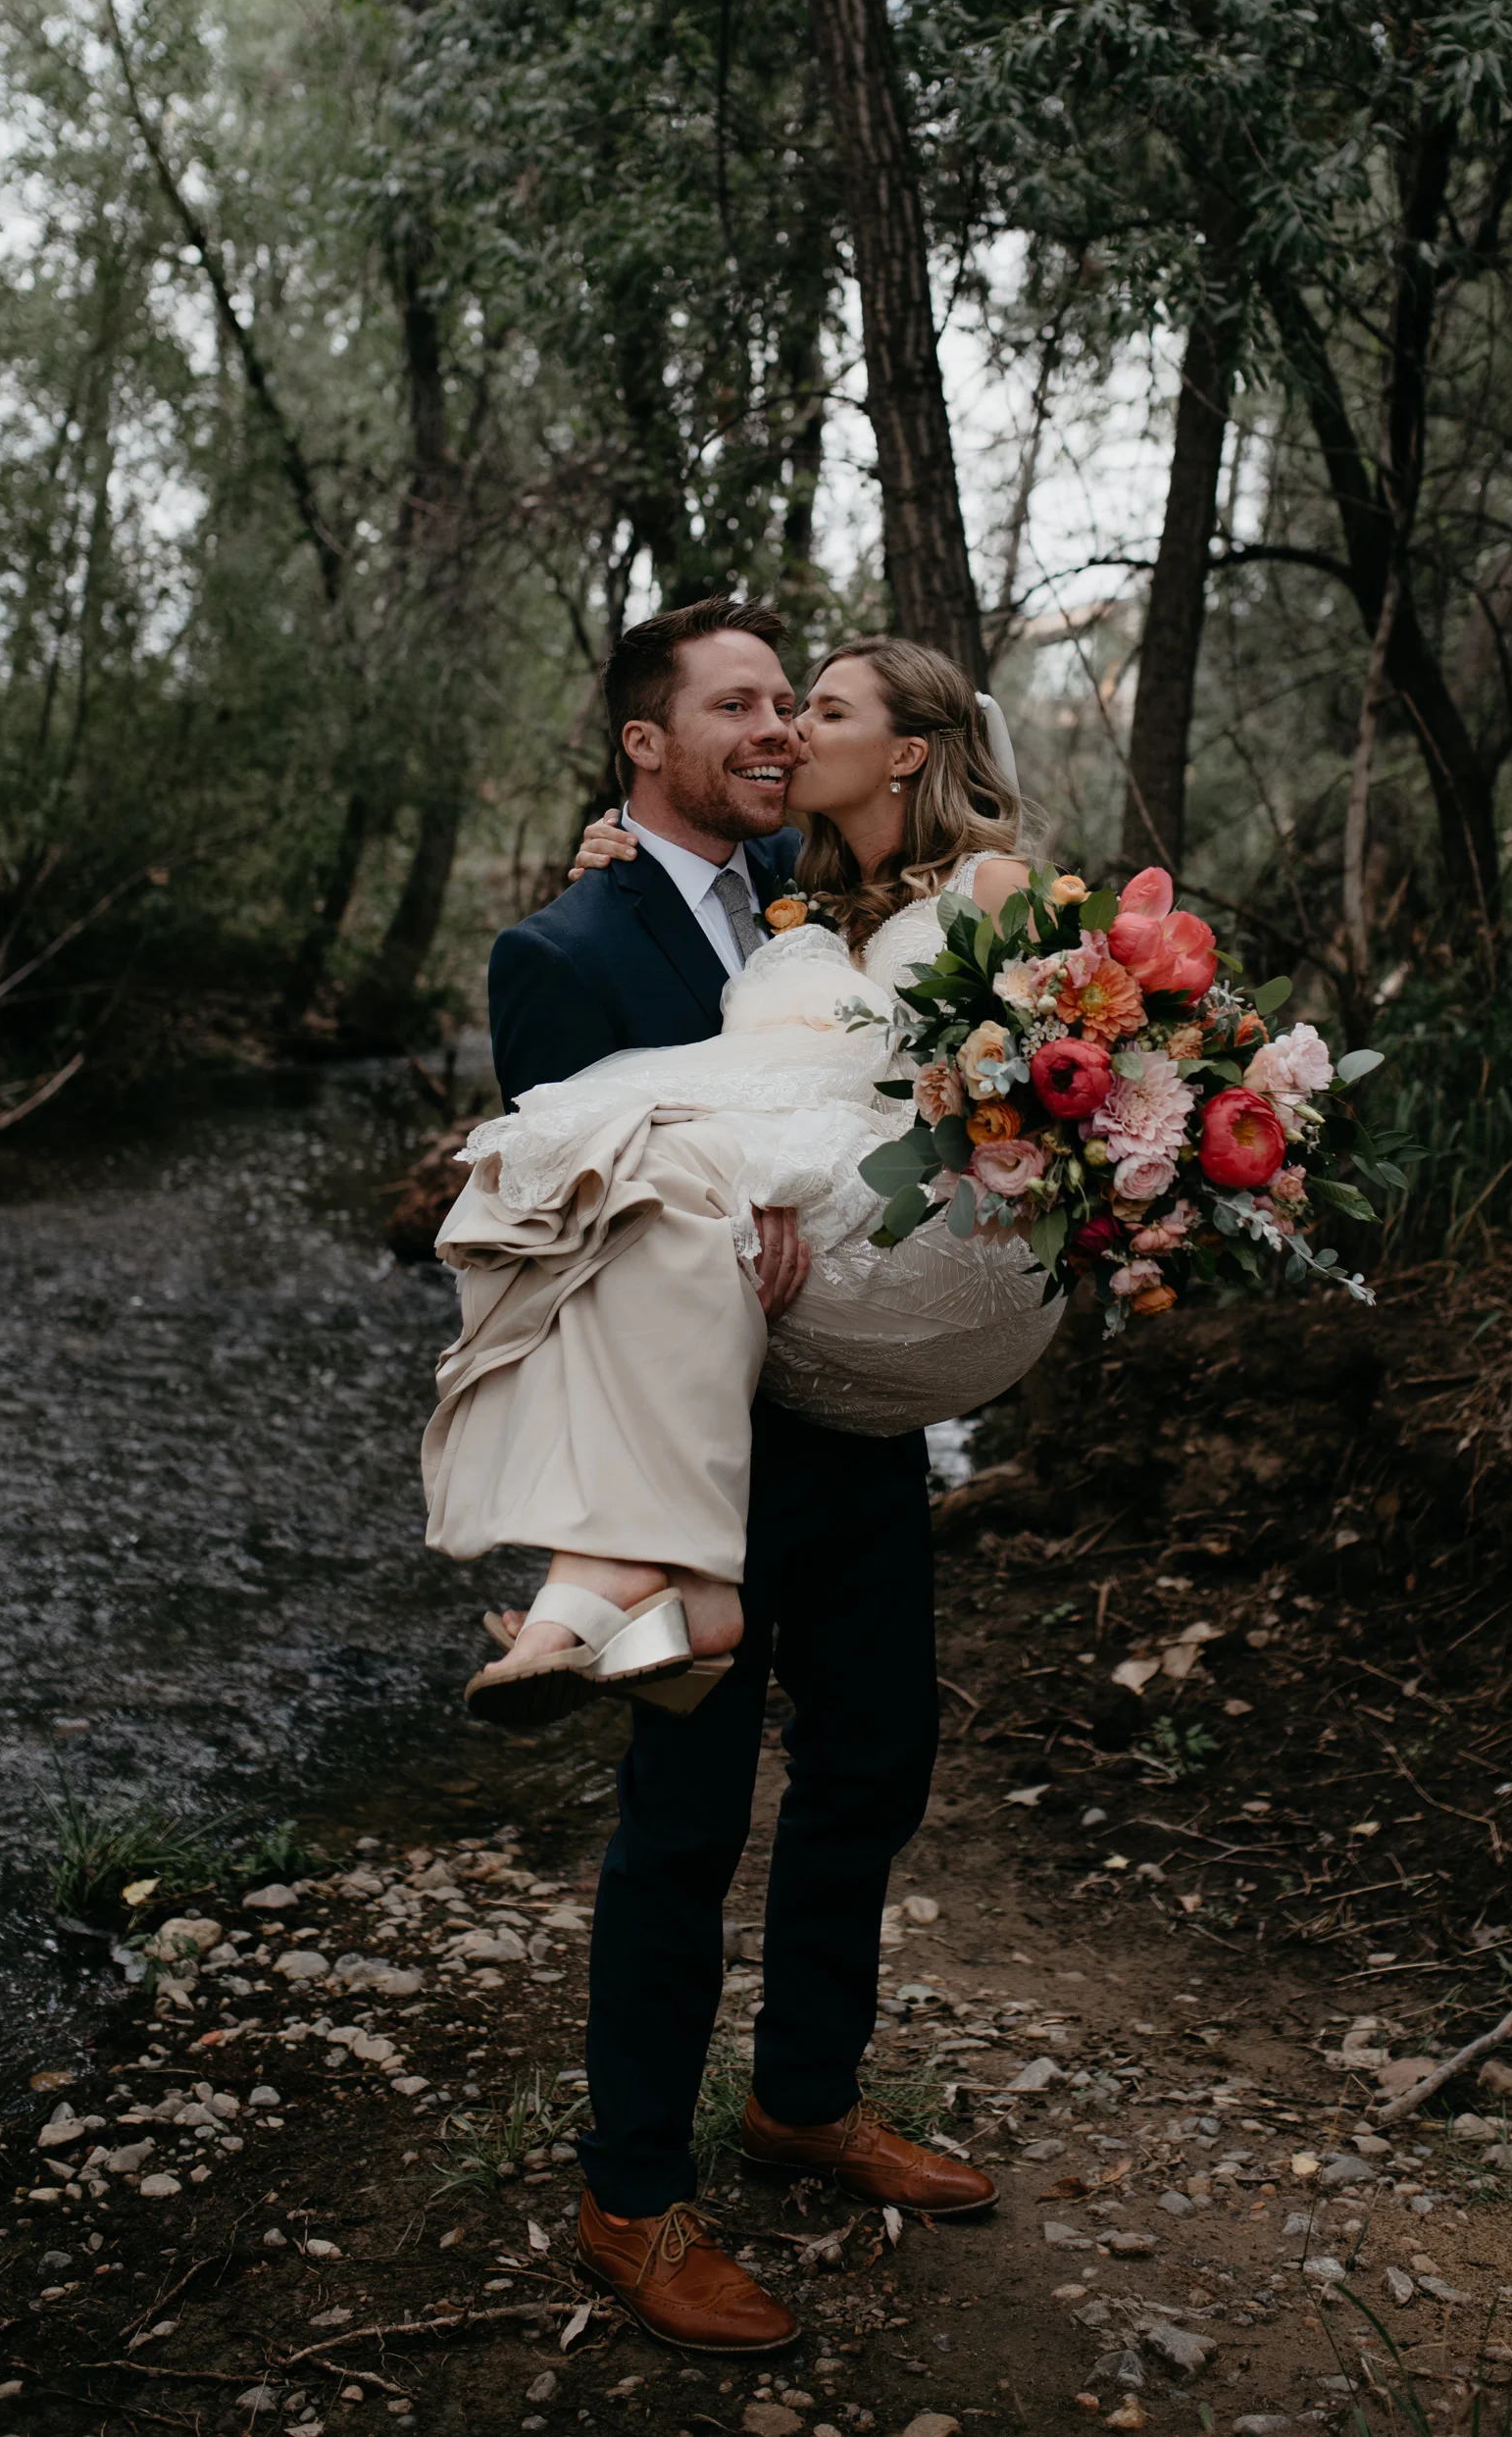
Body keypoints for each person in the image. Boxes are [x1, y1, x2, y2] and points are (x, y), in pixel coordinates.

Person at [425, 599, 1059, 2354]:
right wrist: (717, 1240)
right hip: (689, 1455)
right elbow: (580, 1203)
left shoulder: (824, 885)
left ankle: (802, 2097)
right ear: (647, 743)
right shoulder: (564, 946)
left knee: (875, 1758)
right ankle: (629, 2195)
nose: (779, 727)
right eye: (740, 705)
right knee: (685, 1824)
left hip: (850, 1421)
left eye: (795, 701)